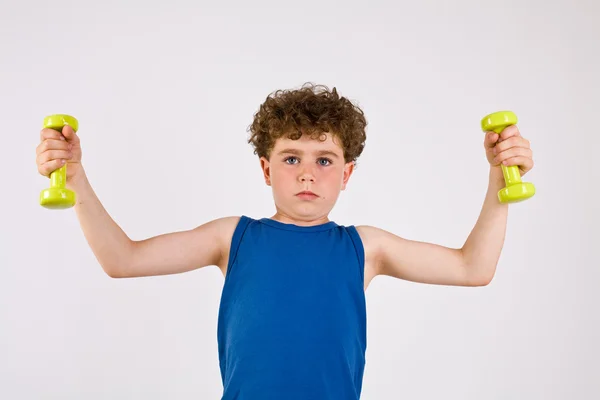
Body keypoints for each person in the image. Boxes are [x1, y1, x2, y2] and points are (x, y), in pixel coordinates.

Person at [35, 83, 534, 399]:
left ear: (348, 174)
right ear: (266, 168)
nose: (308, 175)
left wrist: (498, 179)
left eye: (325, 160)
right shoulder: (233, 237)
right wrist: (74, 177)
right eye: (291, 158)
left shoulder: (366, 248)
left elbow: (474, 268)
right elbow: (123, 259)